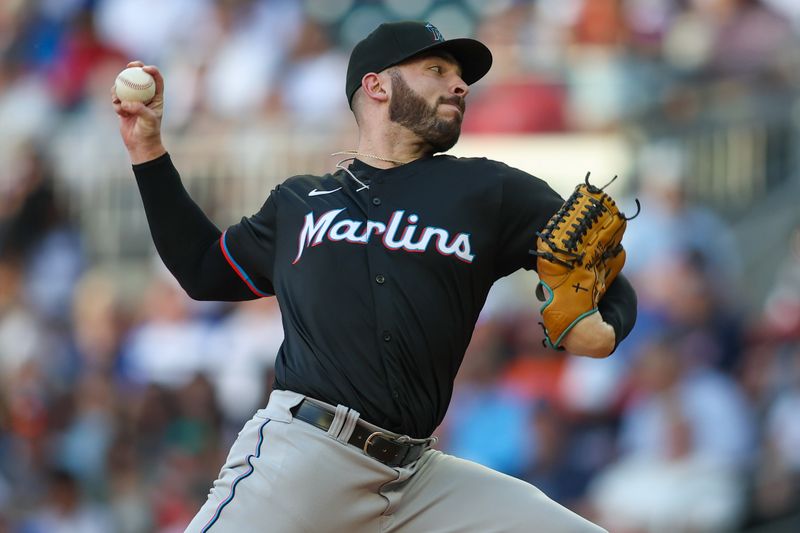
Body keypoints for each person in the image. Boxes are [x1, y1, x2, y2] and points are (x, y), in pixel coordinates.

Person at [112, 20, 637, 533]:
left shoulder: (489, 191)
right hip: (304, 459)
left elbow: (600, 261)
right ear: (376, 85)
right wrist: (148, 152)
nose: (458, 84)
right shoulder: (301, 203)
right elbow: (205, 269)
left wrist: (608, 323)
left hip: (417, 480)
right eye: (436, 68)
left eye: (462, 76)